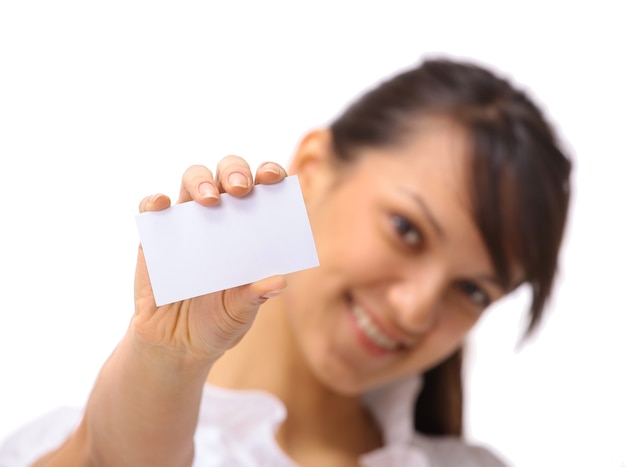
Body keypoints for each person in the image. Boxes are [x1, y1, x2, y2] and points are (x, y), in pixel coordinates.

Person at [0, 58, 571, 467]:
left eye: (472, 290)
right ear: (314, 168)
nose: (415, 309)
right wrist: (167, 360)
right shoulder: (95, 439)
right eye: (407, 230)